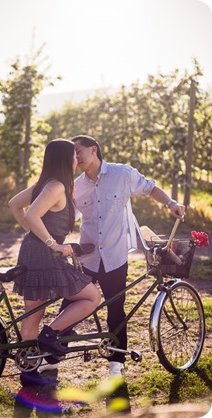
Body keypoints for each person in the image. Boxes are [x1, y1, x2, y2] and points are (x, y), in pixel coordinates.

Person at [61, 134, 185, 377]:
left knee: (116, 309)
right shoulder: (76, 186)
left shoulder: (122, 174)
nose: (75, 157)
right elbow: (67, 217)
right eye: (71, 154)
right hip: (87, 256)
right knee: (70, 303)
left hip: (115, 255)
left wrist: (171, 203)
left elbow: (150, 188)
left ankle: (116, 363)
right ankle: (53, 356)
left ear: (93, 150)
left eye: (78, 151)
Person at [8, 138, 101, 358]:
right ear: (64, 159)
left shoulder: (46, 183)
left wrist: (35, 234)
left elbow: (14, 204)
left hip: (34, 250)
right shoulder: (57, 187)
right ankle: (50, 335)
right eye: (73, 155)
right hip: (44, 255)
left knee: (32, 315)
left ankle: (29, 367)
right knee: (92, 297)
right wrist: (52, 243)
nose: (76, 158)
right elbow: (31, 214)